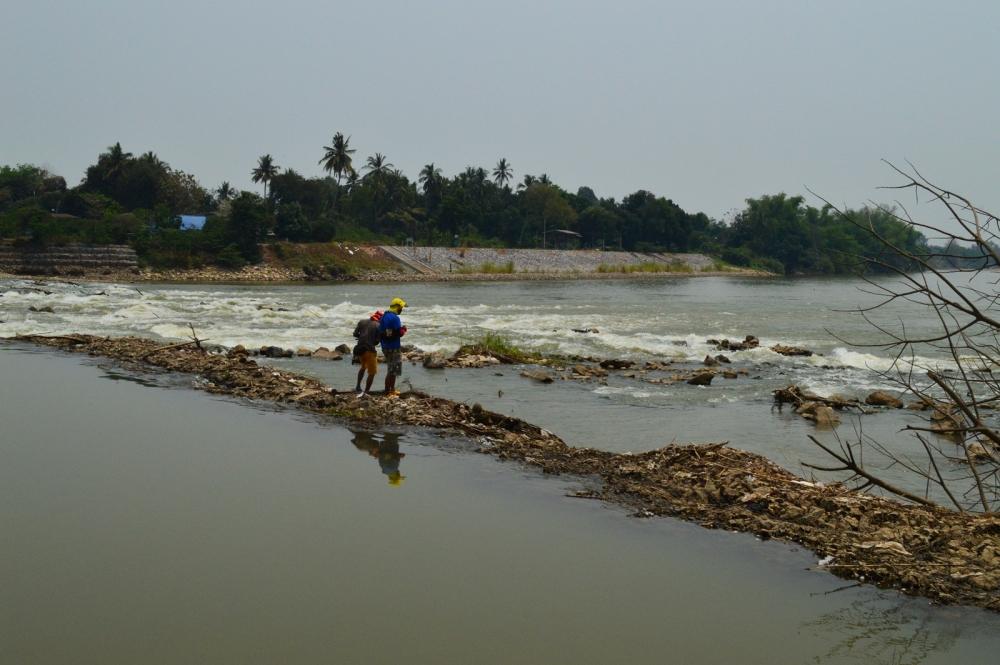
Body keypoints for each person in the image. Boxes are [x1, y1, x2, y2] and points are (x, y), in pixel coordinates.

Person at [379, 297, 407, 397]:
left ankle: (388, 390)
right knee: (393, 370)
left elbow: (385, 332)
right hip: (393, 346)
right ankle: (390, 391)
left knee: (390, 369)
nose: (402, 309)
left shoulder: (384, 316)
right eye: (401, 307)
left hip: (385, 346)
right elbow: (398, 333)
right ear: (397, 307)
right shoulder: (395, 318)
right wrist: (404, 329)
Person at [352, 310, 382, 397]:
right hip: (370, 350)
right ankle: (366, 392)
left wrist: (361, 337)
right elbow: (377, 341)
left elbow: (355, 334)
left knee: (363, 367)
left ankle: (358, 386)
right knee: (372, 372)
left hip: (360, 349)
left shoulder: (362, 322)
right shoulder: (378, 325)